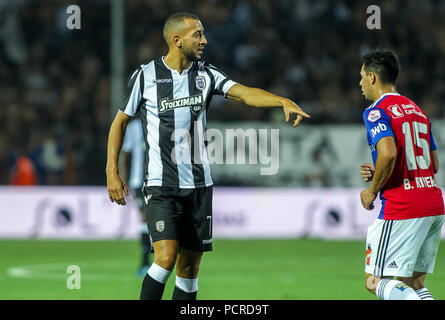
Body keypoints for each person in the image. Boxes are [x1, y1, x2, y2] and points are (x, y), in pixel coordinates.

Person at [106, 12, 310, 300]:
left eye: (202, 34)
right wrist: (111, 171)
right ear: (177, 40)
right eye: (197, 35)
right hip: (160, 185)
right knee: (165, 258)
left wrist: (281, 101)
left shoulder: (206, 74)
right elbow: (119, 123)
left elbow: (245, 94)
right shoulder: (145, 76)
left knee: (189, 269)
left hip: (200, 187)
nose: (204, 40)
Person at [358, 48, 445, 300]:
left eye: (362, 76)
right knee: (414, 283)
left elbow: (388, 153)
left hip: (404, 206)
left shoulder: (376, 111)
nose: (360, 83)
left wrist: (372, 189)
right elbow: (433, 164)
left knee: (375, 281)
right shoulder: (417, 110)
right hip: (433, 204)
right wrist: (380, 173)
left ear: (373, 78)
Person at [119, 117, 152, 277]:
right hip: (139, 180)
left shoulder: (161, 119)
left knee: (155, 219)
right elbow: (125, 154)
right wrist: (122, 179)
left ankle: (156, 259)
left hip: (160, 179)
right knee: (145, 217)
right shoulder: (134, 127)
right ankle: (145, 262)